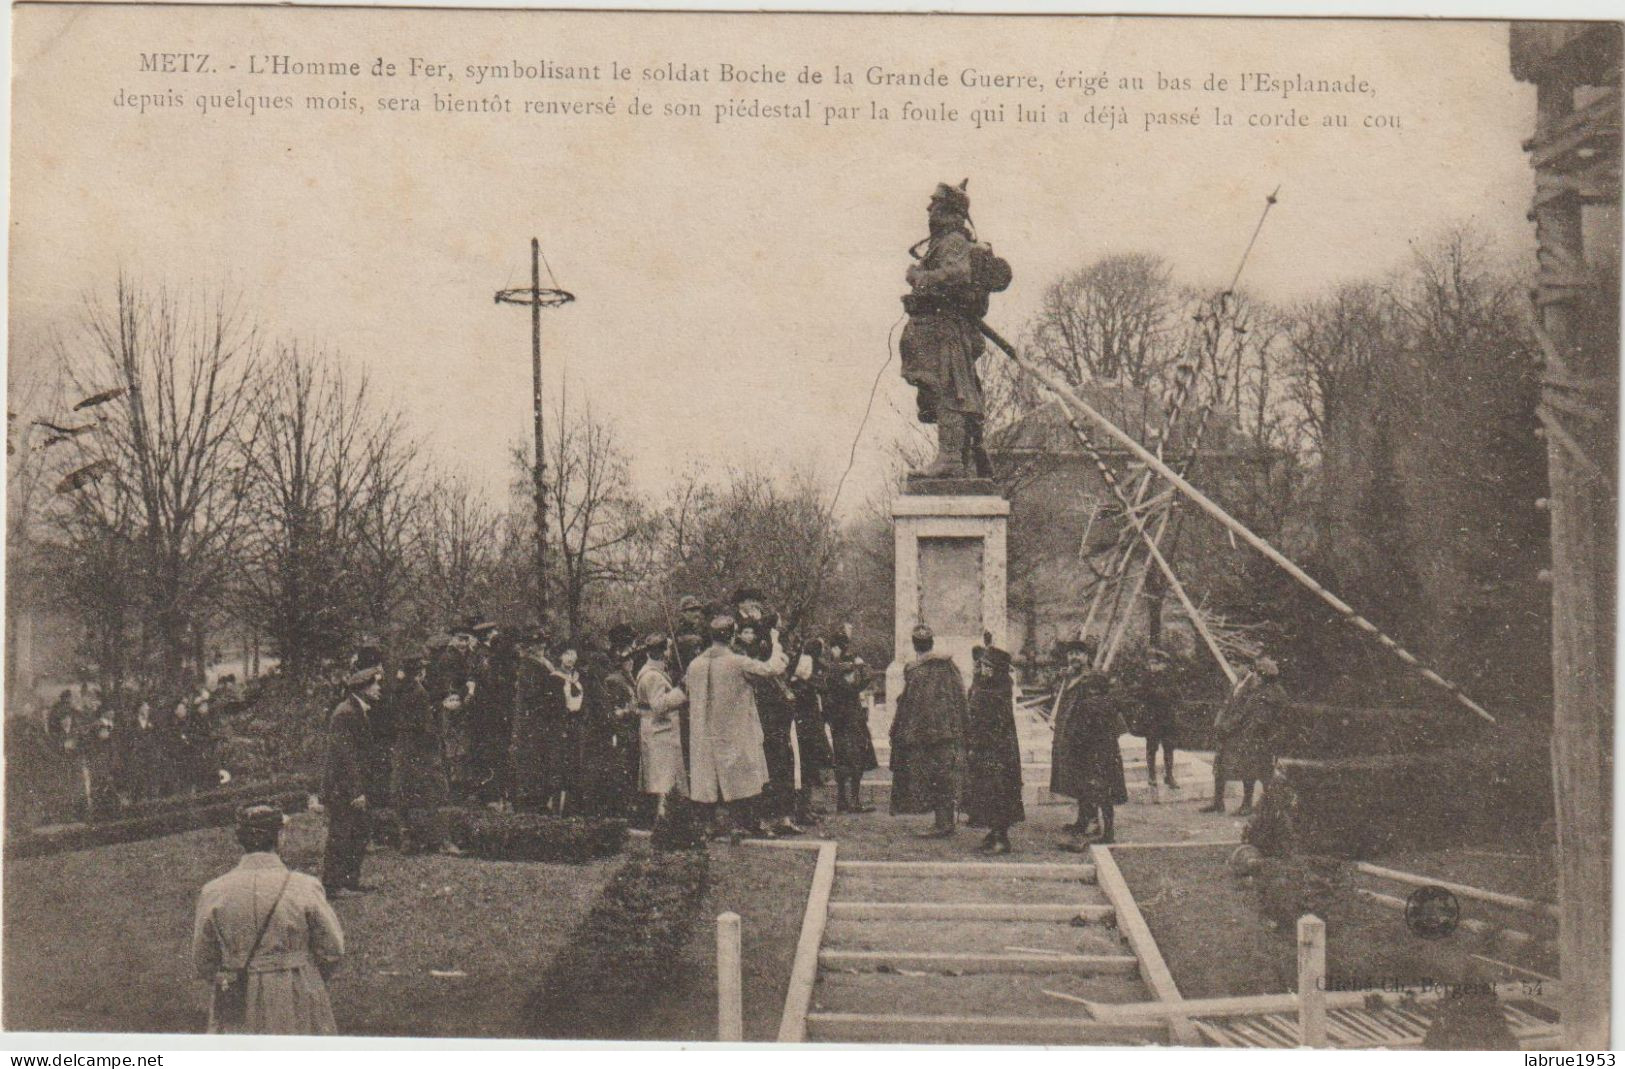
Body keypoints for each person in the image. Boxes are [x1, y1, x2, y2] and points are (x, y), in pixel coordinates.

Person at [191, 805, 344, 1034]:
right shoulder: (303, 886)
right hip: (296, 990)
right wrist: (304, 971)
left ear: (241, 841)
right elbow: (332, 949)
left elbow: (203, 960)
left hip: (239, 993)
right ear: (279, 837)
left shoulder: (214, 891)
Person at [899, 179, 1010, 479]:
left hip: (945, 329)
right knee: (952, 390)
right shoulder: (945, 241)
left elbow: (958, 274)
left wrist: (920, 278)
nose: (928, 207)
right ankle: (963, 456)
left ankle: (950, 458)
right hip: (938, 328)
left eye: (934, 202)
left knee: (949, 390)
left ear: (948, 208)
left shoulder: (953, 241)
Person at [683, 613, 787, 838]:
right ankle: (748, 824)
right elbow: (772, 668)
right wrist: (777, 644)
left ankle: (710, 826)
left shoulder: (694, 664)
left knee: (708, 779)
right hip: (734, 730)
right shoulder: (738, 662)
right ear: (731, 637)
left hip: (703, 733)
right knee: (747, 775)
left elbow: (685, 691)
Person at [889, 624, 969, 838]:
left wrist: (900, 732)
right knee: (945, 777)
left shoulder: (914, 672)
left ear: (916, 646)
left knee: (934, 777)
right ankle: (945, 822)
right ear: (931, 643)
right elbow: (960, 697)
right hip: (947, 732)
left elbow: (907, 705)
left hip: (924, 735)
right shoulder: (949, 667)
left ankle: (942, 824)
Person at [1050, 638, 1128, 846]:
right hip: (1070, 736)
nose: (1074, 657)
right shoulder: (1068, 677)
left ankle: (1093, 821)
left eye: (1079, 653)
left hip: (1089, 741)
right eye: (1071, 653)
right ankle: (1082, 819)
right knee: (1078, 780)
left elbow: (1107, 711)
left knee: (1091, 780)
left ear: (1087, 657)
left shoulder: (1093, 679)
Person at [322, 665, 382, 897]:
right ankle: (334, 884)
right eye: (374, 684)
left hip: (351, 785)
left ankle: (350, 880)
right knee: (342, 833)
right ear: (363, 688)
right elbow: (345, 756)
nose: (379, 688)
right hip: (343, 787)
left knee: (358, 831)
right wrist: (357, 790)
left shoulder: (356, 709)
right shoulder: (346, 713)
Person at [1202, 655, 1287, 817]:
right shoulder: (1260, 691)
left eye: (1259, 674)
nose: (1256, 677)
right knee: (1252, 771)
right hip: (1253, 736)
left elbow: (1261, 717)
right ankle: (1252, 805)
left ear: (1265, 676)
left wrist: (1234, 728)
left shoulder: (1271, 693)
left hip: (1263, 738)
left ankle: (1271, 808)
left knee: (1263, 773)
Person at [391, 656, 453, 855]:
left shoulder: (399, 689)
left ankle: (407, 838)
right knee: (433, 790)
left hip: (402, 745)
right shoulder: (420, 692)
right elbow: (426, 725)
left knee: (403, 792)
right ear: (420, 673)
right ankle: (437, 840)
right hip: (420, 748)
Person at [965, 645, 1024, 854]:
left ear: (998, 669)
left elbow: (988, 720)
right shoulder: (988, 685)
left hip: (997, 750)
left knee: (998, 792)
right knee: (987, 791)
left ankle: (1001, 838)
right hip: (987, 748)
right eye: (983, 665)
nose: (984, 670)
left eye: (988, 666)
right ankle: (994, 833)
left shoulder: (997, 690)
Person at [635, 633, 688, 824]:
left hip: (658, 730)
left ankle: (665, 820)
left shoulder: (653, 671)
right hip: (659, 732)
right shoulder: (652, 676)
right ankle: (664, 822)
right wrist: (681, 691)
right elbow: (658, 706)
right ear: (663, 652)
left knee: (664, 779)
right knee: (664, 781)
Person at [821, 635, 876, 813]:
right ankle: (853, 801)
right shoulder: (846, 669)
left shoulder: (829, 668)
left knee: (842, 759)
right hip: (852, 719)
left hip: (838, 721)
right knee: (855, 759)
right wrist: (861, 665)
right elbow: (863, 681)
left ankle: (843, 801)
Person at [788, 637, 834, 821]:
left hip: (809, 727)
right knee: (806, 768)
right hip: (807, 728)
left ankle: (806, 807)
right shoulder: (804, 685)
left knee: (808, 769)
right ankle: (802, 809)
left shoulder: (809, 681)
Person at [1134, 648, 1181, 792]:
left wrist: (1163, 695)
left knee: (1168, 747)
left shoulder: (1170, 678)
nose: (1153, 666)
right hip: (1152, 718)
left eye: (1156, 663)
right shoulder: (1146, 678)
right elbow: (1140, 694)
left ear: (1163, 665)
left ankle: (1169, 775)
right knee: (1152, 747)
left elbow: (1177, 696)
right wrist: (1157, 694)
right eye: (1151, 663)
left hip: (1167, 718)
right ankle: (1152, 775)